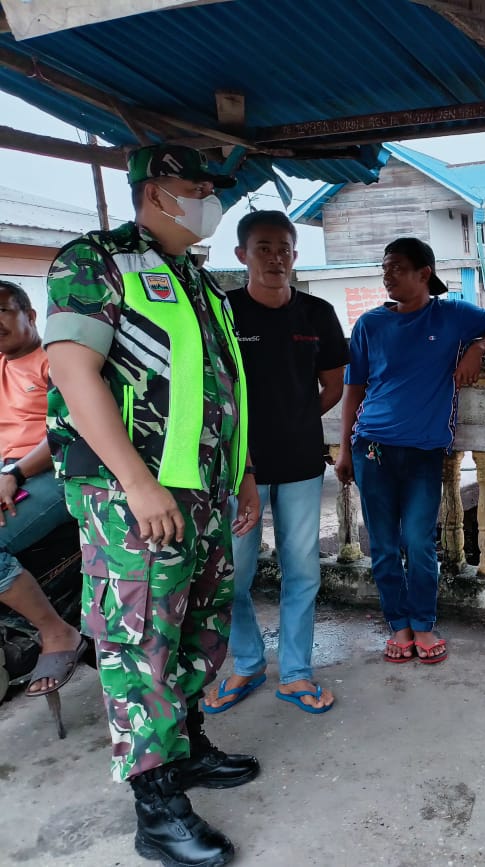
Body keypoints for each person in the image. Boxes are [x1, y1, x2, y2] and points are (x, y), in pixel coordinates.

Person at [44, 144, 261, 866]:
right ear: (152, 190)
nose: (205, 194)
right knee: (141, 644)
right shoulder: (95, 260)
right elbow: (75, 373)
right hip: (132, 496)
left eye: (209, 184)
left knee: (198, 627)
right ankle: (156, 805)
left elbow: (220, 389)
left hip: (204, 492)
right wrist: (138, 482)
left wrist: (244, 473)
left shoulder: (199, 280)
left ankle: (187, 745)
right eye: (192, 184)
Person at [335, 238, 485, 663]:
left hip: (424, 452)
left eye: (397, 268)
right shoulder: (369, 325)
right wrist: (345, 449)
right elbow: (354, 390)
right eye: (384, 268)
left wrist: (476, 348)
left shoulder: (451, 315)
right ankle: (398, 627)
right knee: (382, 543)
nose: (387, 275)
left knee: (418, 540)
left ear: (424, 273)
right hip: (373, 448)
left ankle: (423, 623)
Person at [202, 211, 347, 717]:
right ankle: (246, 662)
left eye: (284, 247)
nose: (275, 257)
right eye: (263, 247)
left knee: (302, 568)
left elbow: (333, 385)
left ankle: (297, 672)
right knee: (236, 573)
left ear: (295, 255)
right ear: (241, 255)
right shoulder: (222, 313)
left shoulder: (318, 313)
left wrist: (298, 419)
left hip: (303, 462)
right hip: (240, 469)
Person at [0, 279, 84, 697]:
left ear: (29, 315)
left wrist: (12, 473)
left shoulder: (54, 361)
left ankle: (56, 631)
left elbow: (69, 429)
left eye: (3, 311)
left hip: (50, 472)